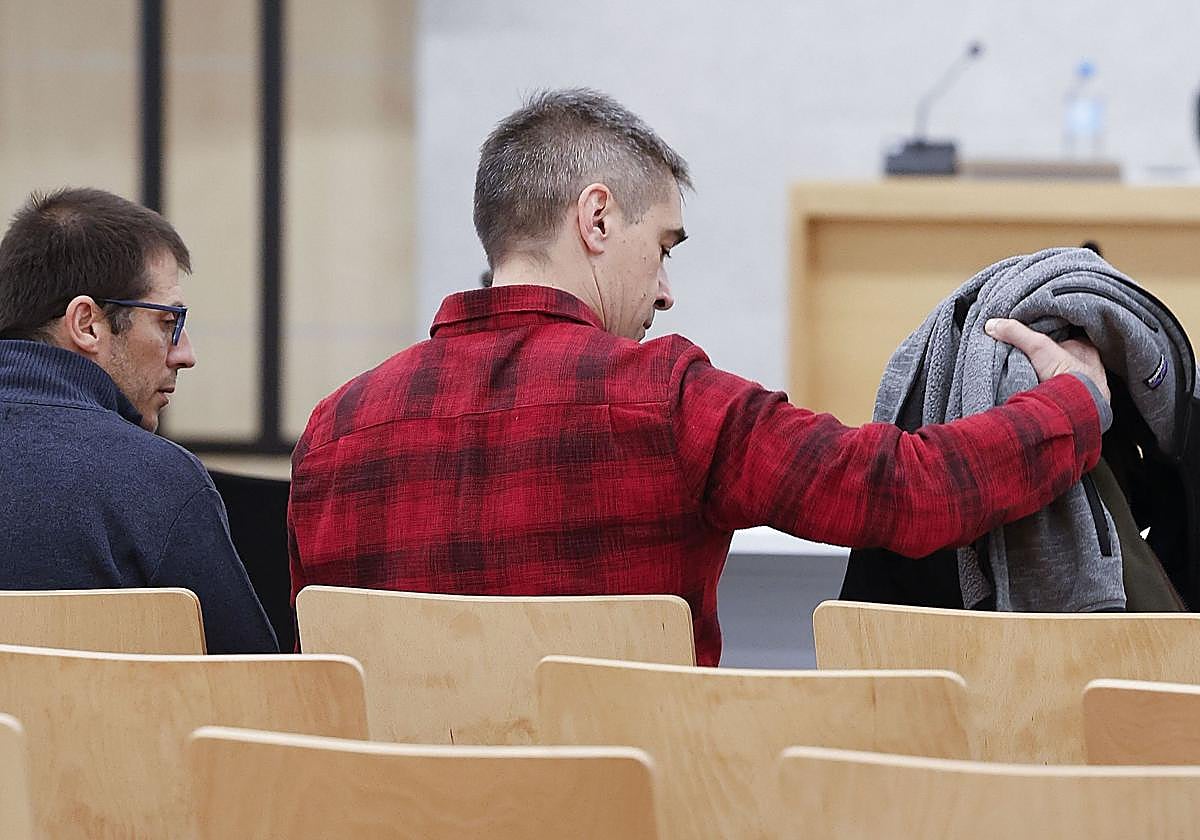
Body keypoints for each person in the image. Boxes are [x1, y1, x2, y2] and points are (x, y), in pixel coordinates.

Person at [288, 89, 1109, 665]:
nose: (667, 291)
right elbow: (906, 488)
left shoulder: (332, 432)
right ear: (598, 218)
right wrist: (1072, 404)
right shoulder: (667, 401)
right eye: (667, 246)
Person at [0, 187, 277, 654]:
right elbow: (254, 688)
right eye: (170, 322)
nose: (185, 355)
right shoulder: (154, 482)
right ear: (87, 324)